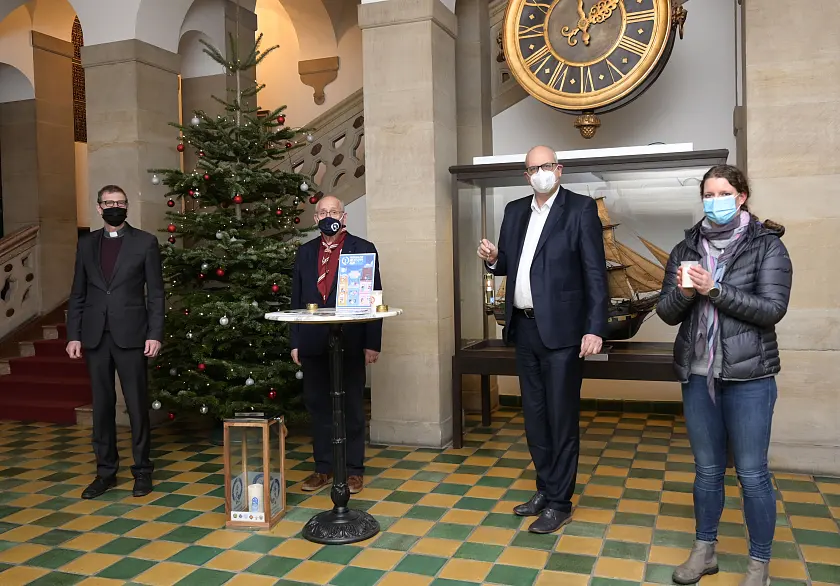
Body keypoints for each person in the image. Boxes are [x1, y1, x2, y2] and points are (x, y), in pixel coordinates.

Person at [657, 164, 792, 586]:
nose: (714, 201)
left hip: (750, 377)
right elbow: (664, 312)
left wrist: (714, 289)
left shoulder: (767, 246)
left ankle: (759, 565)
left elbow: (772, 310)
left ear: (741, 197)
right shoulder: (686, 246)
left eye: (723, 193)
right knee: (707, 471)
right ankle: (704, 551)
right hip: (698, 376)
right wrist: (682, 294)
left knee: (752, 474)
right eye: (708, 194)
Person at [477, 145, 608, 533]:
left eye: (546, 166)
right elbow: (507, 263)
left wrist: (595, 327)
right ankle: (545, 488)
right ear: (526, 175)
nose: (540, 172)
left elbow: (595, 273)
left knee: (560, 418)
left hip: (565, 332)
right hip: (525, 329)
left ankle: (560, 502)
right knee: (534, 419)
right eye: (533, 168)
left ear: (559, 169)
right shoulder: (515, 211)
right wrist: (491, 257)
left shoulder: (581, 210)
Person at [66, 185, 165, 499]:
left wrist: (154, 333)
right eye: (108, 203)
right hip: (95, 336)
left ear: (127, 207)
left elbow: (157, 295)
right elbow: (78, 293)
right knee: (102, 408)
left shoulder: (146, 243)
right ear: (98, 208)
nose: (114, 207)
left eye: (120, 203)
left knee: (136, 406)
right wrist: (73, 335)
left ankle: (142, 472)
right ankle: (105, 473)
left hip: (133, 335)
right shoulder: (85, 244)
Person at [290, 195, 382, 494]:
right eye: (322, 212)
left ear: (344, 217)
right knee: (318, 406)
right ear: (316, 219)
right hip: (313, 341)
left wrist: (372, 342)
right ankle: (323, 468)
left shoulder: (363, 249)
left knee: (353, 406)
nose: (328, 216)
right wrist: (295, 341)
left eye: (334, 211)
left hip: (351, 340)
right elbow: (294, 301)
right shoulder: (304, 253)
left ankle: (354, 470)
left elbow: (374, 299)